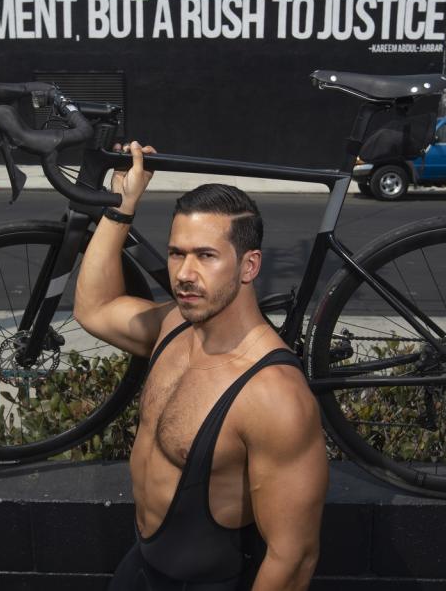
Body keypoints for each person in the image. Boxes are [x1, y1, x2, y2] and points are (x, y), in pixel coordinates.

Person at [74, 141, 328, 591]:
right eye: (177, 253)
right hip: (141, 567)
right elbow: (94, 308)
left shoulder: (274, 395)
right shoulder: (174, 325)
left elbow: (293, 558)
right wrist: (121, 206)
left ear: (249, 266)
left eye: (206, 256)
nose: (184, 274)